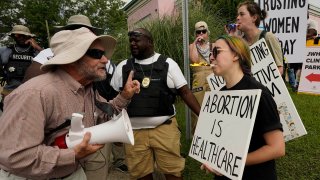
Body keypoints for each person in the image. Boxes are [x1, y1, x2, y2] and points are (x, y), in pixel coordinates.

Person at [0, 27, 140, 180]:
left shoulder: (87, 89)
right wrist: (72, 154)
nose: (105, 60)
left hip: (71, 172)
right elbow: (15, 156)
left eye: (104, 54)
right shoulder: (35, 94)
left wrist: (125, 95)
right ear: (73, 58)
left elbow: (106, 115)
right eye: (96, 54)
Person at [110, 28, 201, 179]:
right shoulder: (123, 67)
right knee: (140, 174)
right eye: (130, 40)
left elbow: (185, 92)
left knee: (173, 172)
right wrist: (116, 131)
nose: (132, 43)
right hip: (134, 132)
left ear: (150, 42)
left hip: (164, 129)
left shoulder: (168, 64)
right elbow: (115, 100)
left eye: (137, 40)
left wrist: (203, 116)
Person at [201, 35, 285, 179]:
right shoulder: (220, 94)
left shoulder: (260, 94)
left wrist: (233, 162)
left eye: (217, 51)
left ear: (236, 55)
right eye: (210, 53)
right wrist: (211, 157)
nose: (211, 57)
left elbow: (277, 148)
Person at [228, 1, 284, 75]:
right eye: (238, 15)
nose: (237, 18)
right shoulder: (240, 42)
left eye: (242, 14)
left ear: (254, 18)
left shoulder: (268, 37)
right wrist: (232, 38)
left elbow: (279, 69)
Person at [0, 25, 43, 109]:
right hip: (10, 91)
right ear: (13, 36)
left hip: (31, 92)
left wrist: (38, 48)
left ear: (29, 37)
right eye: (18, 35)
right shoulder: (5, 50)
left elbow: (52, 60)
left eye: (24, 35)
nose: (21, 38)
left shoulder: (37, 52)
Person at [189, 21, 213, 134]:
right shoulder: (192, 46)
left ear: (207, 32)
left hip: (213, 78)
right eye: (198, 32)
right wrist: (195, 42)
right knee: (198, 108)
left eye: (204, 31)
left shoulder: (213, 45)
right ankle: (197, 137)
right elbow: (194, 60)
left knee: (213, 107)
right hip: (199, 80)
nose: (201, 34)